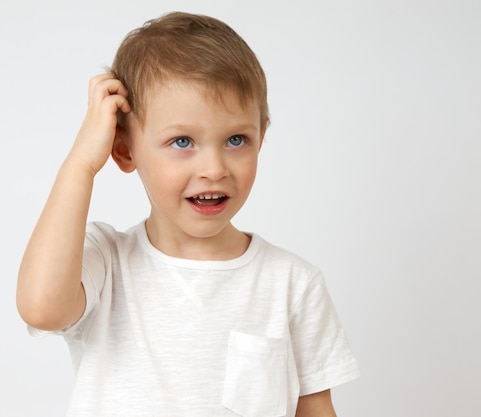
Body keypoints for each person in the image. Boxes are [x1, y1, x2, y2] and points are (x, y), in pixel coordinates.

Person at [16, 11, 359, 417]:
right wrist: (81, 163)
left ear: (261, 139)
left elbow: (314, 408)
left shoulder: (292, 284)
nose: (214, 168)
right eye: (182, 141)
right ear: (125, 149)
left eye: (236, 139)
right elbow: (41, 307)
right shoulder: (105, 262)